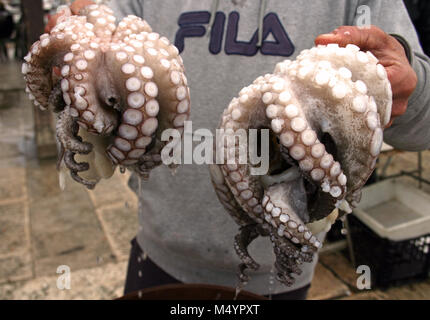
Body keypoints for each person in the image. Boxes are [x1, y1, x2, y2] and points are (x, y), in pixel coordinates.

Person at [47, 0, 430, 299]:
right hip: (157, 254)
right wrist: (75, 43)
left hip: (276, 284)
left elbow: (422, 124)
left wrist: (400, 88)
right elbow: (100, 44)